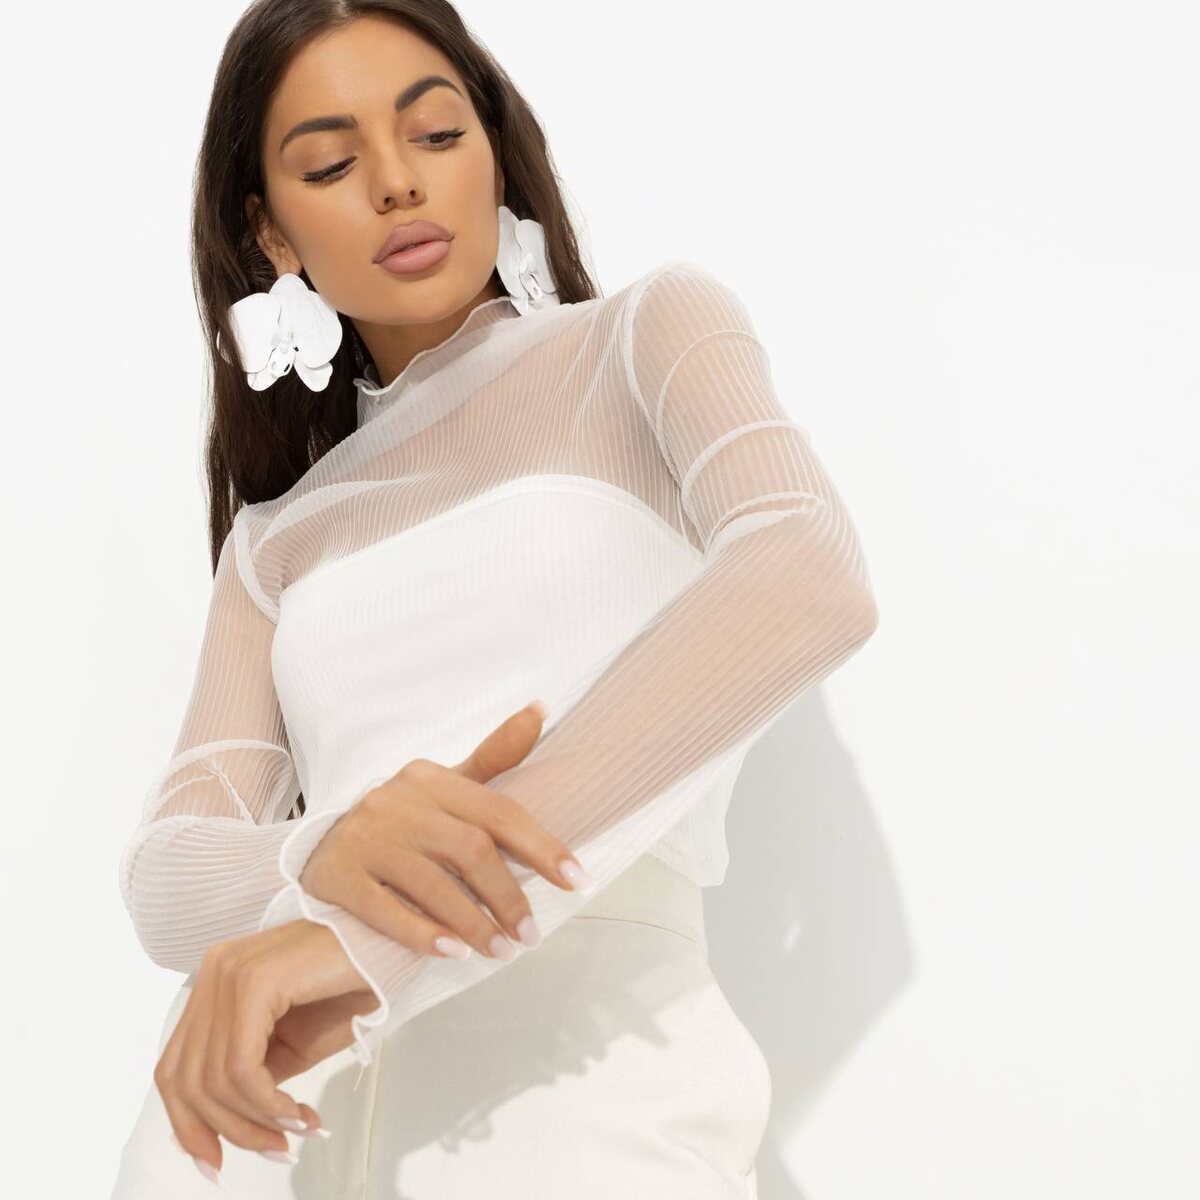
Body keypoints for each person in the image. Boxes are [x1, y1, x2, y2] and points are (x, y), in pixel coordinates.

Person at [110, 1, 879, 1195]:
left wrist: (371, 932)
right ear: (269, 233)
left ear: (496, 152)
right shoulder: (274, 541)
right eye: (331, 165)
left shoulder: (637, 342)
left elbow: (805, 570)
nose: (397, 184)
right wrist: (325, 846)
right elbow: (167, 881)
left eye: (435, 134)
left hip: (579, 1096)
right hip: (262, 1131)